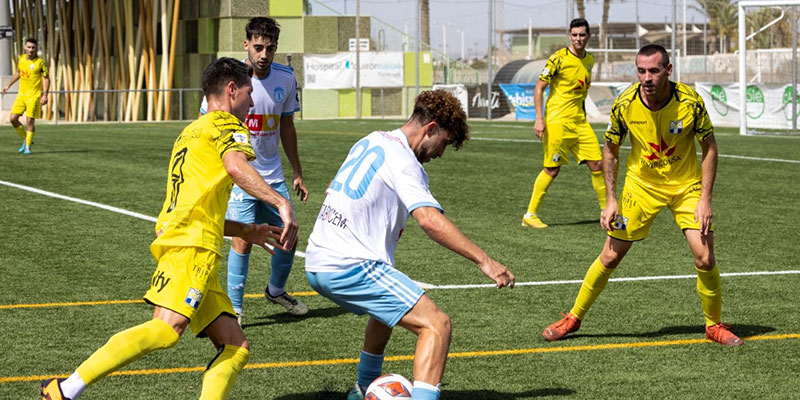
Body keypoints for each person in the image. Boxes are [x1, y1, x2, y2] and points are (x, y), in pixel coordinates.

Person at [40, 57, 300, 400]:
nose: (252, 103)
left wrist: (246, 231)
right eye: (249, 93)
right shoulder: (226, 125)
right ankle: (65, 390)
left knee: (236, 347)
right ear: (232, 89)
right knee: (165, 329)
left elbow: (196, 207)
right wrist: (281, 203)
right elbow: (236, 166)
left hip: (189, 241)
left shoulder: (190, 132)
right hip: (193, 249)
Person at [304, 90, 516, 400]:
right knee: (437, 325)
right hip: (347, 264)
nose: (440, 154)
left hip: (318, 258)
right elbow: (428, 219)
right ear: (430, 129)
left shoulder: (373, 139)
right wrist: (485, 260)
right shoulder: (405, 161)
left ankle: (364, 387)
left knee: (388, 306)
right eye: (443, 142)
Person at [541, 44, 742, 347]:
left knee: (704, 257)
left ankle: (713, 325)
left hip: (685, 187)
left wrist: (705, 199)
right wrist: (611, 199)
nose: (647, 77)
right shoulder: (625, 103)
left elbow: (709, 147)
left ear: (668, 70)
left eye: (654, 70)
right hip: (641, 188)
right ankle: (573, 317)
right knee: (610, 255)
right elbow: (609, 150)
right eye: (641, 71)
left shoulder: (690, 101)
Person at [200, 17, 309, 322]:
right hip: (238, 176)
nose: (264, 54)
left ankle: (275, 291)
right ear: (246, 44)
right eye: (258, 47)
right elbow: (206, 126)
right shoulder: (227, 79)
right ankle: (234, 309)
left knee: (289, 235)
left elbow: (286, 126)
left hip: (272, 176)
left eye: (270, 48)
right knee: (243, 239)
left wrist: (297, 171)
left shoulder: (286, 79)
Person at [522, 18, 605, 229]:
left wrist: (583, 116)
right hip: (557, 121)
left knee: (598, 164)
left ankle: (607, 213)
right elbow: (539, 88)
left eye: (582, 35)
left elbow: (581, 93)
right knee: (552, 168)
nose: (579, 38)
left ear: (588, 36)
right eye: (575, 35)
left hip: (579, 121)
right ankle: (530, 215)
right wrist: (539, 119)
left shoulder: (590, 60)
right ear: (570, 35)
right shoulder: (558, 59)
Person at [2, 37, 50, 155]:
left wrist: (45, 95)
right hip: (21, 95)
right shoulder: (21, 59)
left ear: (36, 49)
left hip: (33, 96)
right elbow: (18, 73)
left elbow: (46, 78)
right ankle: (26, 139)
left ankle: (28, 147)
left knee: (30, 121)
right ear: (25, 47)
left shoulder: (40, 63)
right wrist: (8, 85)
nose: (31, 50)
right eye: (29, 47)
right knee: (13, 119)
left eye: (33, 48)